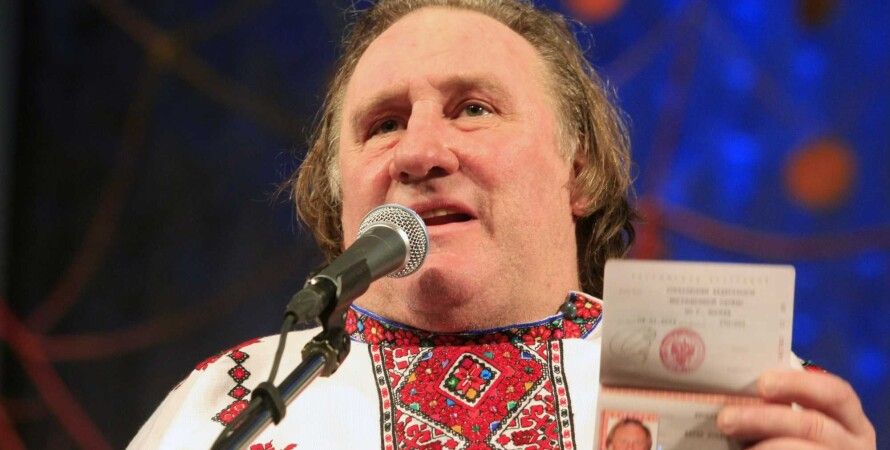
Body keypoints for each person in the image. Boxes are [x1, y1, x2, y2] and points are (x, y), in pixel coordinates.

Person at [129, 1, 876, 449]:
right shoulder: (226, 405)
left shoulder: (745, 392)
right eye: (384, 124)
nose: (419, 152)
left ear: (578, 169)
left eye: (474, 109)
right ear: (338, 194)